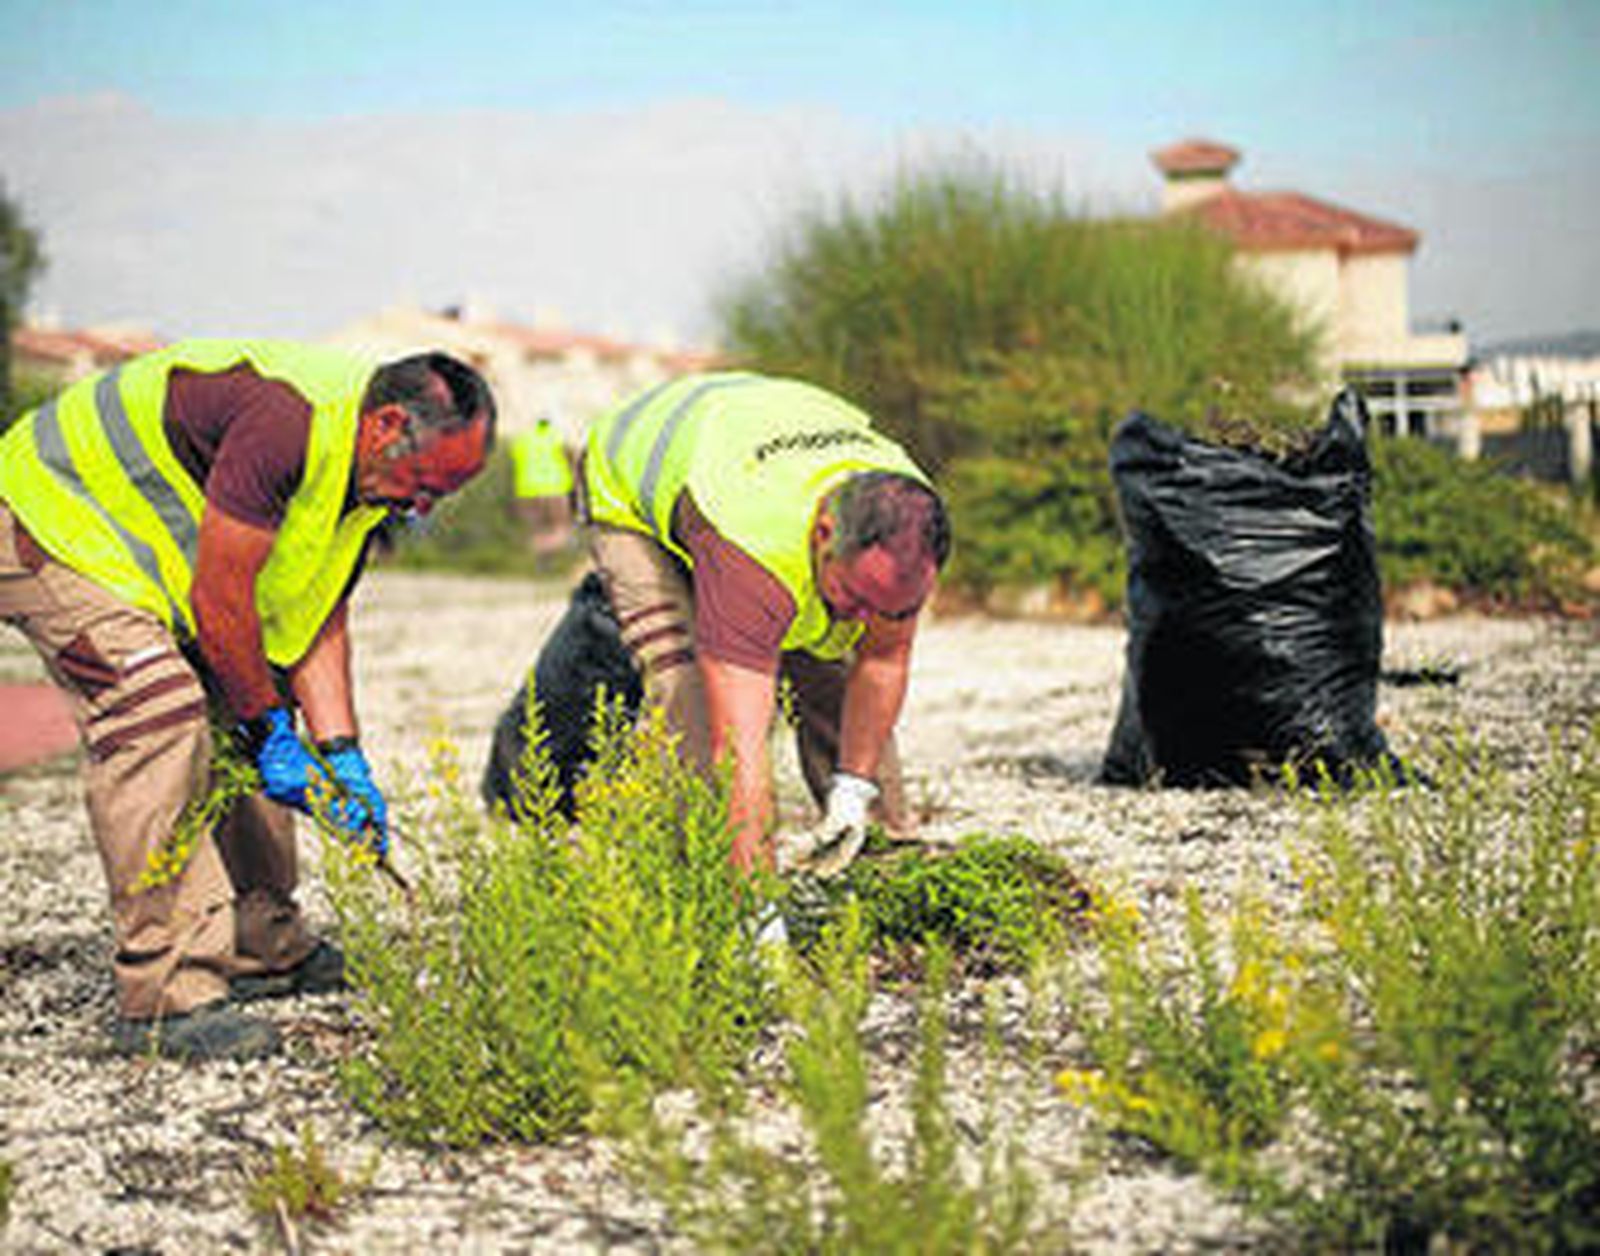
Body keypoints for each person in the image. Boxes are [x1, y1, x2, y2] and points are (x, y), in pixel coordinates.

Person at [0, 340, 495, 1060]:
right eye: (424, 484)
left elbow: (314, 617)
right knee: (157, 708)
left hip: (127, 555)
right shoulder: (286, 421)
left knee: (253, 701)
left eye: (439, 498)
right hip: (44, 516)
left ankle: (263, 946)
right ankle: (164, 995)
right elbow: (222, 599)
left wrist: (340, 755)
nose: (422, 508)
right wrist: (271, 732)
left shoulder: (366, 476)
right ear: (388, 425)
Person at [580, 370, 950, 877]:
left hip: (757, 427)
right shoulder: (752, 545)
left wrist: (852, 790)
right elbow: (742, 748)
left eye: (888, 609)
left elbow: (882, 660)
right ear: (824, 534)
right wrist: (756, 912)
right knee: (689, 694)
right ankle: (705, 881)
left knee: (834, 668)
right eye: (859, 597)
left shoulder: (907, 527)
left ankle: (880, 861)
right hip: (630, 474)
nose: (867, 620)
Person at [508, 415, 575, 558]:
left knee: (535, 530)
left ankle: (534, 562)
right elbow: (571, 457)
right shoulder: (556, 436)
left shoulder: (522, 439)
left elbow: (514, 459)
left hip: (526, 490)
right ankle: (555, 560)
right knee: (561, 527)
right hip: (555, 488)